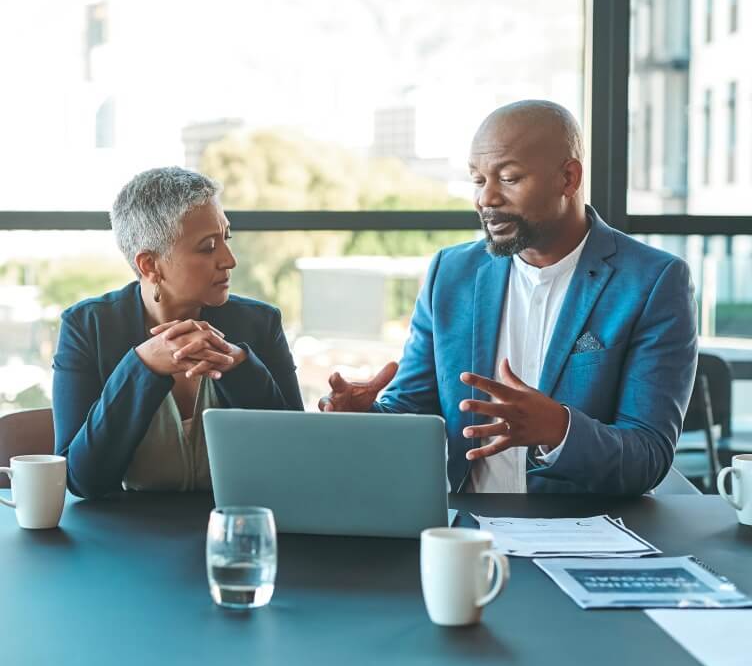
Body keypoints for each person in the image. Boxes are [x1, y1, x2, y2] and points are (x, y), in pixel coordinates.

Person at [319, 100, 698, 494]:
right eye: (478, 180)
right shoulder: (450, 274)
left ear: (568, 179)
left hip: (583, 524)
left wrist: (560, 430)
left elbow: (648, 456)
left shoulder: (653, 282)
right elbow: (413, 412)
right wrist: (365, 418)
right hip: (464, 520)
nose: (486, 199)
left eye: (509, 178)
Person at [53, 167, 303, 498]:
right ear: (150, 265)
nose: (229, 260)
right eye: (208, 247)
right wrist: (142, 367)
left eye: (226, 239)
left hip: (237, 522)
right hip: (128, 528)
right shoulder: (86, 328)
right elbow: (81, 479)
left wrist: (241, 367)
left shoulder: (261, 324)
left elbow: (296, 456)